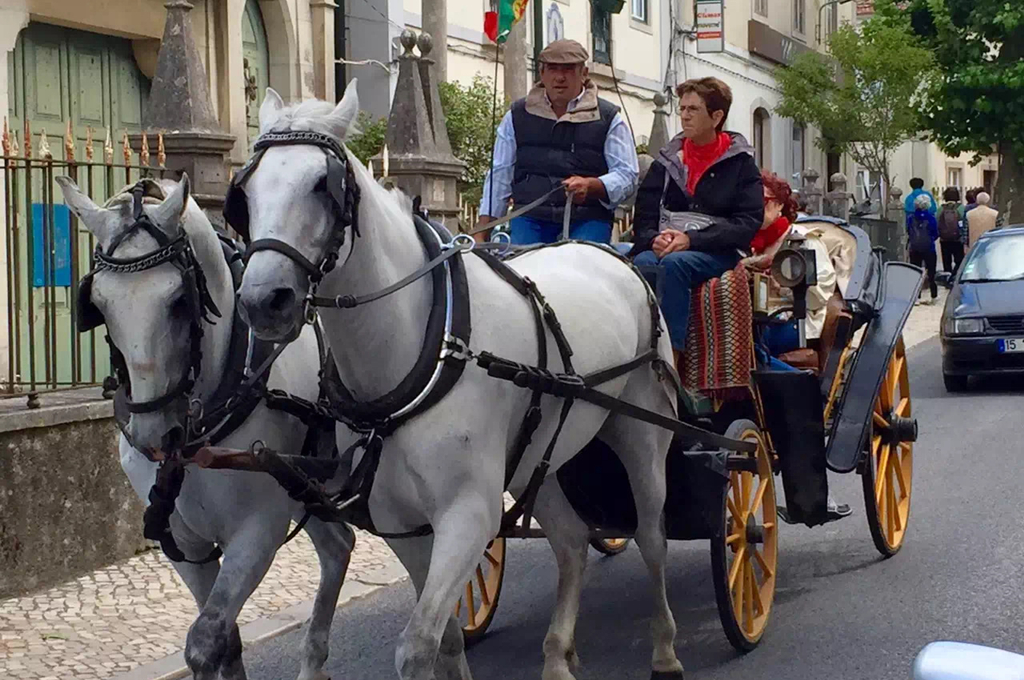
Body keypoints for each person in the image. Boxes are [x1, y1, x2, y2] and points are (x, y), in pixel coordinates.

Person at [629, 76, 763, 370]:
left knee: (674, 266)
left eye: (693, 109)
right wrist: (652, 238)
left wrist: (692, 240)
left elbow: (747, 222)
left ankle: (670, 360)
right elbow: (644, 213)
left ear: (716, 117)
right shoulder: (667, 161)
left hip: (717, 250)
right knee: (642, 262)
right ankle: (634, 350)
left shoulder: (741, 164)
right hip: (666, 245)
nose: (685, 115)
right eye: (682, 108)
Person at [474, 39, 639, 245]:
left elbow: (627, 174)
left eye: (568, 69)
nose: (560, 77)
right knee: (521, 262)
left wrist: (593, 185)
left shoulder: (608, 118)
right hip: (530, 216)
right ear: (542, 73)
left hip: (588, 217)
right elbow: (500, 173)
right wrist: (482, 230)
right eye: (553, 69)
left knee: (582, 261)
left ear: (584, 73)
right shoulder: (516, 115)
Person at [742, 171, 797, 271]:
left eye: (763, 201)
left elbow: (821, 279)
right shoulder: (744, 242)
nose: (754, 207)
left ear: (780, 204)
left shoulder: (803, 240)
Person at [907, 194, 939, 305]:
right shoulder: (931, 218)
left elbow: (908, 231)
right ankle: (933, 295)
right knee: (931, 272)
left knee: (916, 272)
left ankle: (916, 296)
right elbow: (935, 233)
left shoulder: (910, 218)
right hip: (929, 248)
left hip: (915, 247)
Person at [937, 187, 965, 275]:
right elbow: (964, 222)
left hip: (944, 239)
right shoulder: (961, 208)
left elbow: (937, 222)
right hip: (957, 239)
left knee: (946, 262)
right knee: (959, 261)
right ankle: (955, 276)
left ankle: (947, 277)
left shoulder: (941, 209)